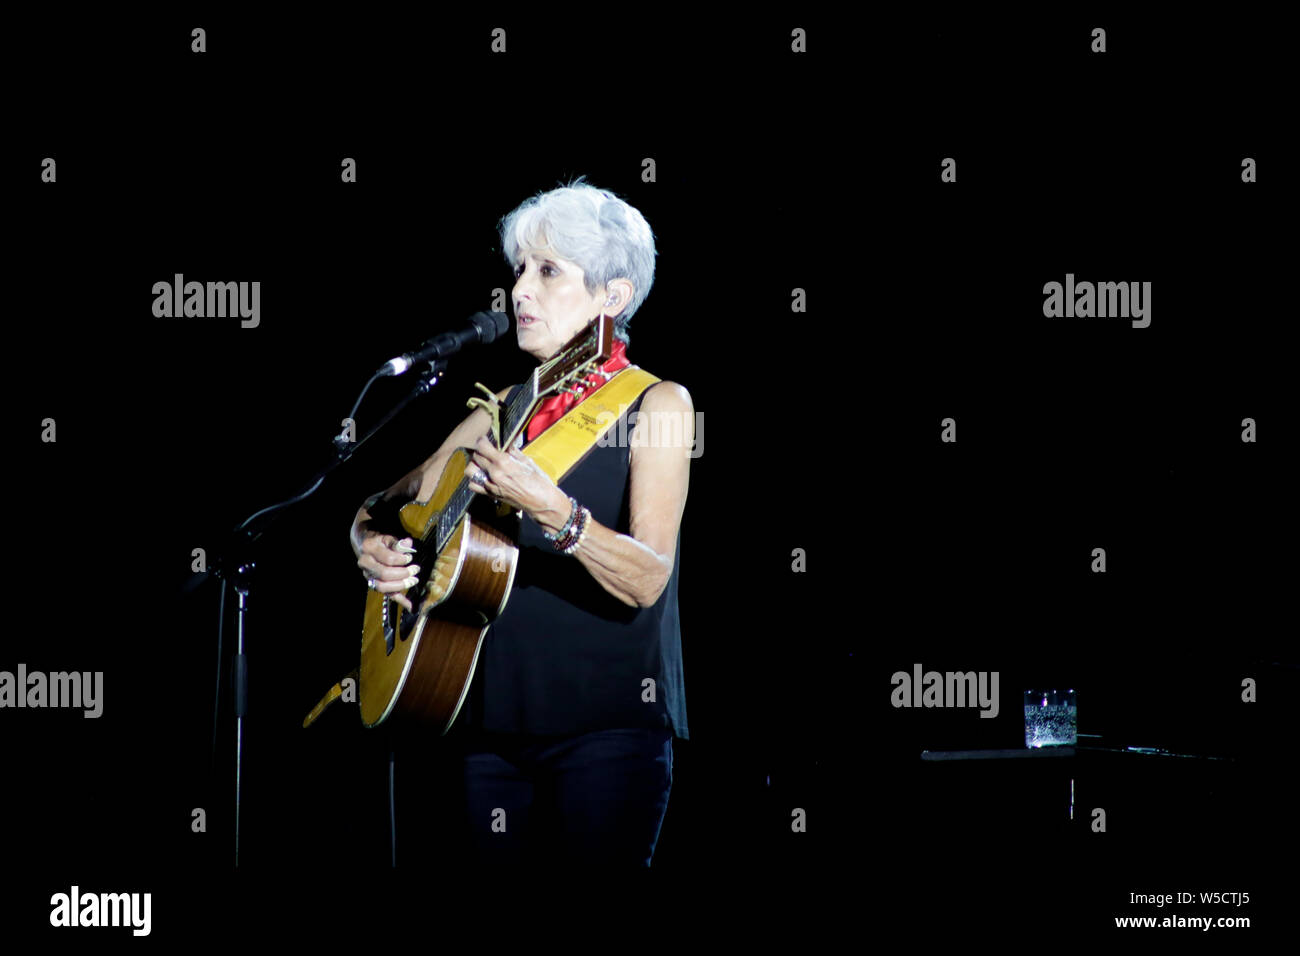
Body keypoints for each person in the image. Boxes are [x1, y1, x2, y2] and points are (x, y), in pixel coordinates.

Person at [348, 179, 693, 869]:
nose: (519, 291)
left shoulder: (659, 403)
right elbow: (384, 502)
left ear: (612, 297)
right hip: (482, 730)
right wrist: (367, 542)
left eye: (548, 271)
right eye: (518, 270)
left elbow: (649, 577)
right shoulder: (498, 409)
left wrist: (557, 513)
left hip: (607, 733)